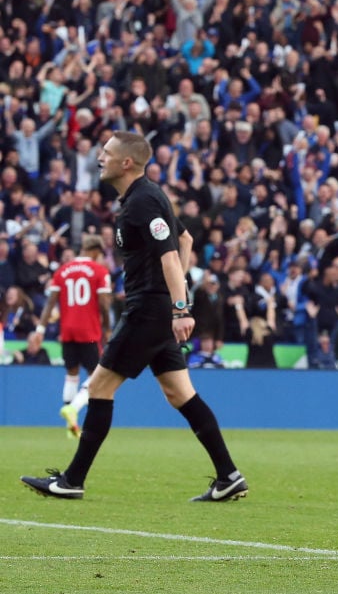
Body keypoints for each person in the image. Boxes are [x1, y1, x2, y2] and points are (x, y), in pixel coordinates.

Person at [20, 132, 247, 502]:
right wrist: (173, 298)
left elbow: (172, 256)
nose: (100, 157)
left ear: (127, 162)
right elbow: (185, 241)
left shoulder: (142, 202)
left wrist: (179, 307)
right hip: (158, 308)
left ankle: (72, 481)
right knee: (180, 393)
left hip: (148, 311)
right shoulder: (147, 197)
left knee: (98, 388)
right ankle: (229, 477)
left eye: (106, 152)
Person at [36, 234, 112, 438]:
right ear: (95, 251)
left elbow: (50, 302)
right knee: (97, 378)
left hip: (67, 330)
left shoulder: (62, 271)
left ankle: (70, 425)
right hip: (88, 331)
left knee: (71, 374)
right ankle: (73, 409)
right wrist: (107, 327)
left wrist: (40, 330)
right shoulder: (100, 271)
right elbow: (104, 304)